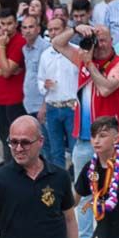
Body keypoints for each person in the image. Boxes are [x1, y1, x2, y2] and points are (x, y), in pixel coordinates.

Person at [49, 21, 119, 238]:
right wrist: (76, 30)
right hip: (85, 140)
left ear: (112, 41)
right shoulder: (86, 57)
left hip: (111, 141)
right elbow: (56, 43)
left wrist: (89, 65)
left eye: (103, 39)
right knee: (84, 191)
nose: (100, 44)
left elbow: (106, 88)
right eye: (96, 39)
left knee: (113, 191)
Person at [37, 15, 79, 170]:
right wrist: (44, 85)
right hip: (52, 106)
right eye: (50, 30)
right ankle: (59, 180)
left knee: (76, 148)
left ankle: (78, 180)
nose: (53, 33)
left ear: (66, 31)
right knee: (56, 150)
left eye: (57, 29)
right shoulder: (45, 55)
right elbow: (40, 79)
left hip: (72, 107)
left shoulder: (76, 51)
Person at [0, 9, 27, 166]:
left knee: (18, 141)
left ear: (16, 24)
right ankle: (9, 171)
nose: (6, 28)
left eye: (9, 23)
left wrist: (2, 49)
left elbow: (8, 72)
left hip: (15, 100)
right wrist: (4, 70)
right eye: (2, 24)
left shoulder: (19, 42)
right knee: (4, 138)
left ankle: (18, 171)